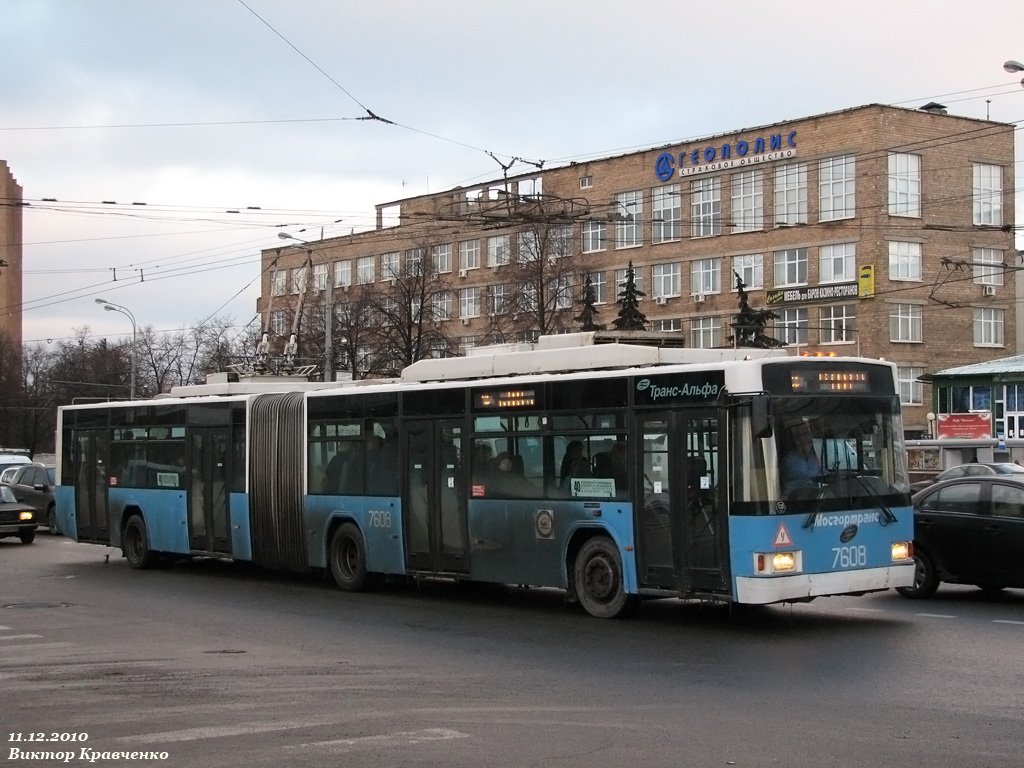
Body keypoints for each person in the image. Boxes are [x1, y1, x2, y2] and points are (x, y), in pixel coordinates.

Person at [782, 423, 822, 496]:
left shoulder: (811, 457)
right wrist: (819, 475)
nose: (811, 445)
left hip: (812, 492)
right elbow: (804, 476)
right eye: (809, 442)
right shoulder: (789, 460)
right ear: (798, 442)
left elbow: (820, 468)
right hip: (795, 496)